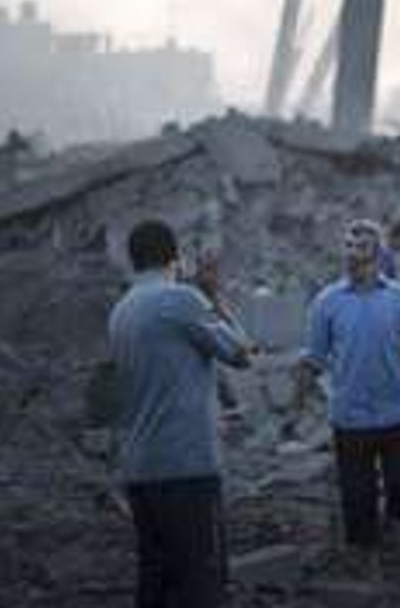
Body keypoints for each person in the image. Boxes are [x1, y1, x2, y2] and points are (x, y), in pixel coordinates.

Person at [105, 219, 254, 608]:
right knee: (201, 584)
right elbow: (241, 353)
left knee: (156, 583)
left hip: (140, 469)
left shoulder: (121, 310)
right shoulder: (180, 299)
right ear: (176, 257)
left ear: (134, 260)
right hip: (185, 468)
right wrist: (212, 294)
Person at [293, 219, 400, 571]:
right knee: (357, 499)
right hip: (351, 417)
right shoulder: (326, 303)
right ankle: (363, 568)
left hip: (398, 414)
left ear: (377, 254)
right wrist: (297, 400)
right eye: (347, 245)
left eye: (360, 246)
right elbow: (314, 356)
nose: (351, 253)